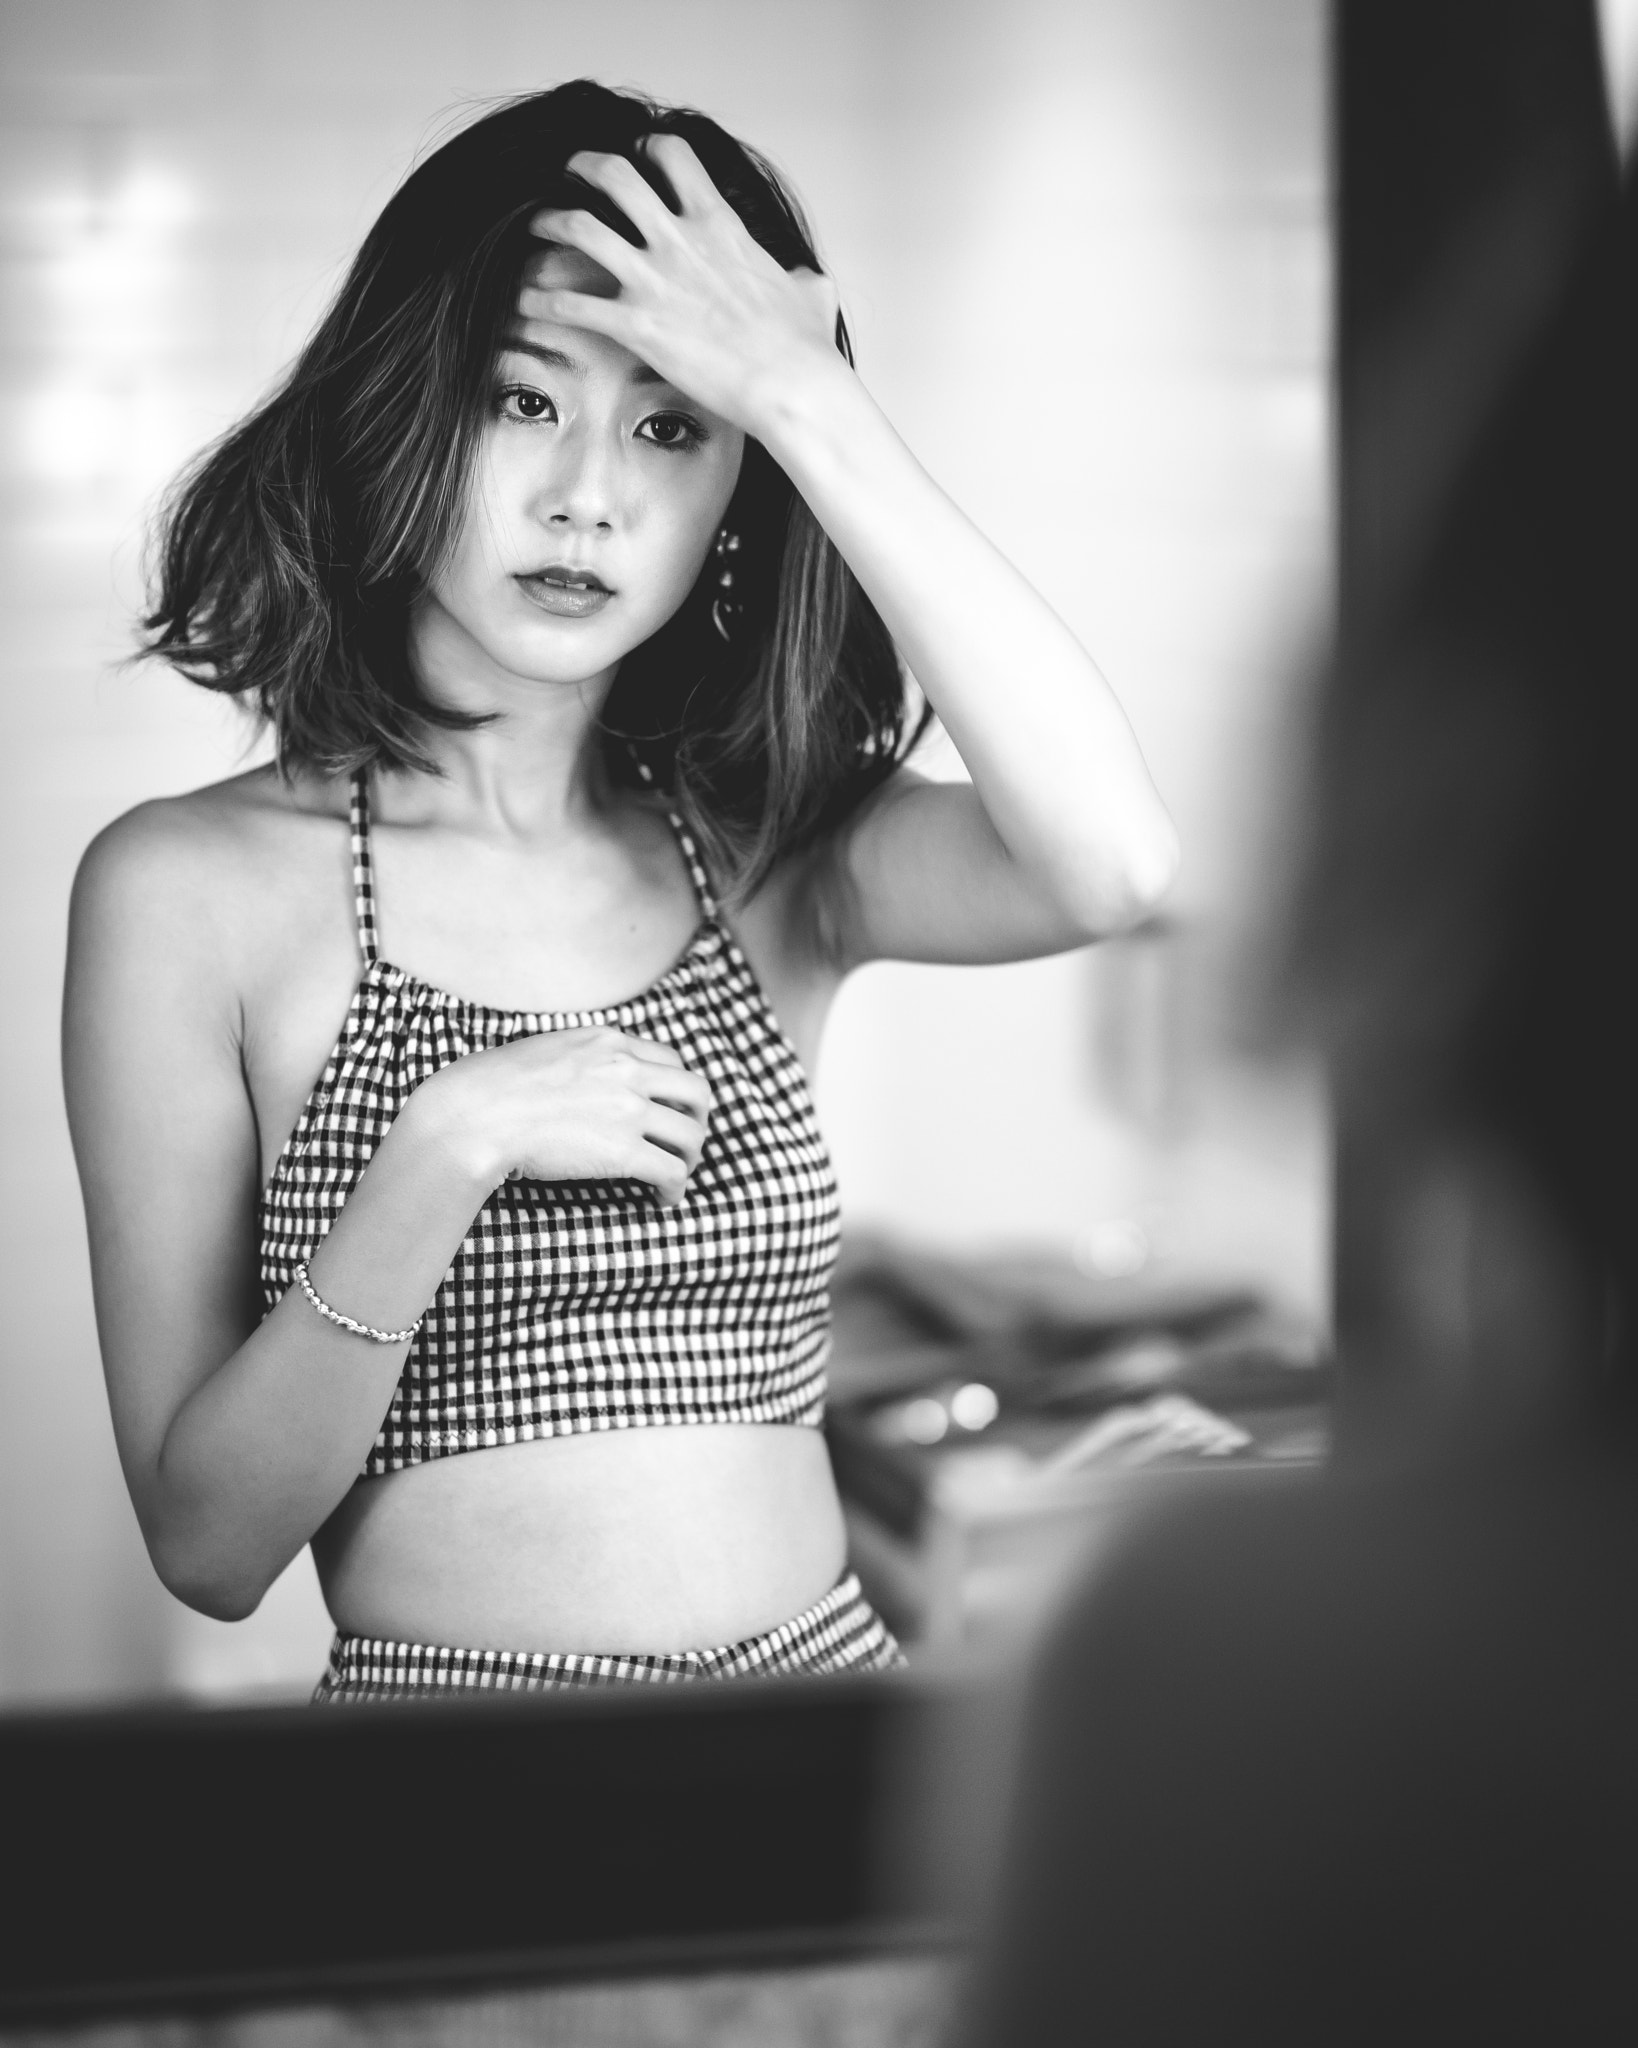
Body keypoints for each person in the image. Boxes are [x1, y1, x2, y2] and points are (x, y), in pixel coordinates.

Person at [61, 81, 1178, 1702]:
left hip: (827, 1721)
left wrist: (808, 396)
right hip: (461, 1770)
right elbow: (209, 1545)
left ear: (738, 494)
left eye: (671, 428)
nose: (587, 493)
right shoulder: (186, 892)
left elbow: (1113, 865)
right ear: (400, 420)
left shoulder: (764, 848)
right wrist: (443, 1152)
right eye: (523, 400)